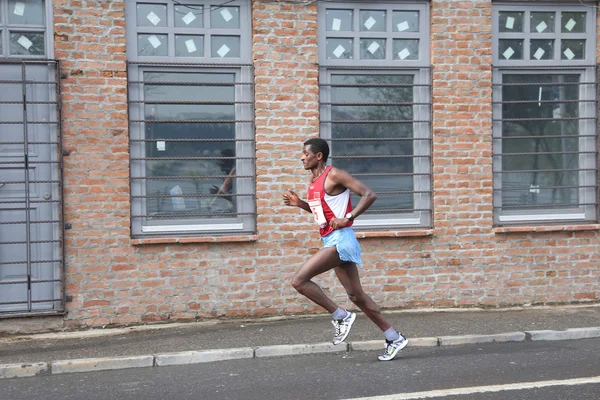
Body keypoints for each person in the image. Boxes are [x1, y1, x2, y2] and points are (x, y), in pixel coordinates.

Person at [282, 138, 408, 361]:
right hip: (331, 239)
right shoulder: (314, 182)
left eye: (305, 153)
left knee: (299, 281)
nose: (302, 157)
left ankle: (341, 315)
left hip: (341, 241)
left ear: (318, 156)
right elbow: (324, 216)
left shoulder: (334, 175)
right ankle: (394, 337)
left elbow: (369, 194)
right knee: (356, 295)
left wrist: (348, 218)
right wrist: (300, 204)